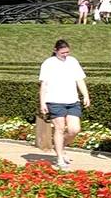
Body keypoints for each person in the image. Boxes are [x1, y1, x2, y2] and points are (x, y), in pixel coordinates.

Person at [37, 37, 90, 172]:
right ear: (55, 50)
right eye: (63, 53)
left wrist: (85, 95)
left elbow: (80, 80)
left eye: (67, 52)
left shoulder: (73, 62)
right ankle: (60, 158)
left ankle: (59, 146)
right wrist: (42, 102)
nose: (65, 55)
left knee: (74, 129)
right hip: (55, 101)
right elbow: (44, 84)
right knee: (59, 129)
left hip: (72, 100)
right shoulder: (48, 63)